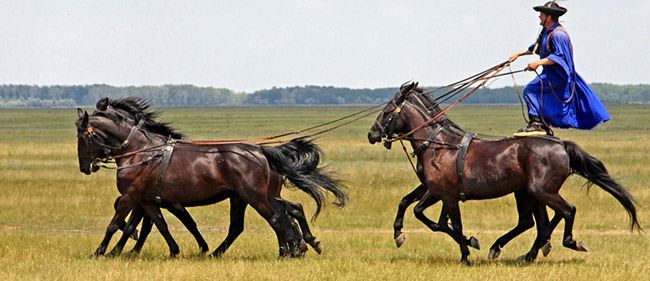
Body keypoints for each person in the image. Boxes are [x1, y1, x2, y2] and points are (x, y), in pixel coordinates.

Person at [509, 1, 610, 136]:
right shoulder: (547, 33)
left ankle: (536, 124)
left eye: (541, 14)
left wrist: (538, 63)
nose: (539, 17)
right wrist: (517, 54)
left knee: (530, 89)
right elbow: (535, 48)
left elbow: (559, 57)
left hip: (558, 76)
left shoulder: (558, 34)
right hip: (549, 75)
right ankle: (541, 123)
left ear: (548, 17)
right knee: (534, 92)